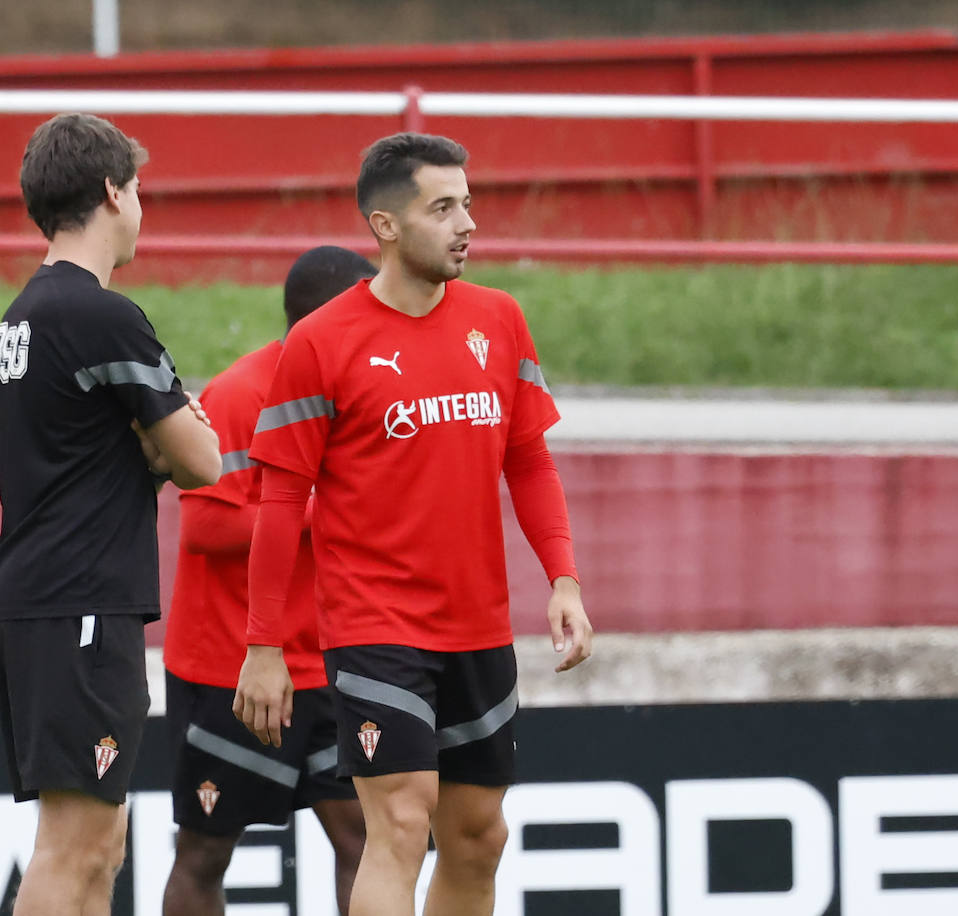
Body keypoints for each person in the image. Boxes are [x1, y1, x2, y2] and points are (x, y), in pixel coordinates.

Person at [233, 132, 593, 916]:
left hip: (478, 626)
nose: (468, 222)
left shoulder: (499, 321)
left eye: (468, 202)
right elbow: (280, 501)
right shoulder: (320, 342)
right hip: (376, 627)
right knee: (399, 823)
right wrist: (263, 644)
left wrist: (563, 577)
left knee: (478, 837)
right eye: (443, 207)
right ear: (385, 226)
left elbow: (528, 461)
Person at [0, 112, 221, 916]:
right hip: (76, 603)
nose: (144, 207)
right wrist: (164, 437)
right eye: (140, 188)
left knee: (98, 847)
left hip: (49, 598)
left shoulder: (26, 313)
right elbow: (201, 459)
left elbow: (97, 452)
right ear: (113, 191)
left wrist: (147, 444)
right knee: (75, 847)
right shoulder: (99, 314)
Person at [162, 246, 378, 916]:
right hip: (232, 668)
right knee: (205, 852)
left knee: (366, 841)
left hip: (332, 667)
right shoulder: (240, 394)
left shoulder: (365, 395)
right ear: (326, 321)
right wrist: (322, 509)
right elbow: (205, 529)